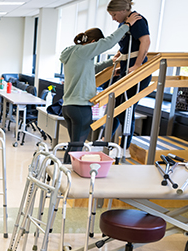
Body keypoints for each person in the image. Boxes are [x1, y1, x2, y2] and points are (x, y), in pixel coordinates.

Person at [59, 12, 141, 163]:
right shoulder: (84, 51)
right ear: (94, 41)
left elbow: (91, 68)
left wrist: (111, 62)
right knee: (76, 149)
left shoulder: (74, 53)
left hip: (68, 107)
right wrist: (126, 26)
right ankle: (67, 178)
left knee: (73, 147)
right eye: (97, 44)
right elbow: (108, 43)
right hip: (80, 107)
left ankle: (64, 175)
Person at [108, 0, 151, 152]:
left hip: (136, 73)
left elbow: (145, 41)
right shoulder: (124, 23)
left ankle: (124, 146)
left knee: (126, 108)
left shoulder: (137, 20)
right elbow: (126, 46)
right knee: (115, 106)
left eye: (114, 14)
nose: (113, 18)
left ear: (121, 10)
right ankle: (106, 140)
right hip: (126, 71)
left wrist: (138, 65)